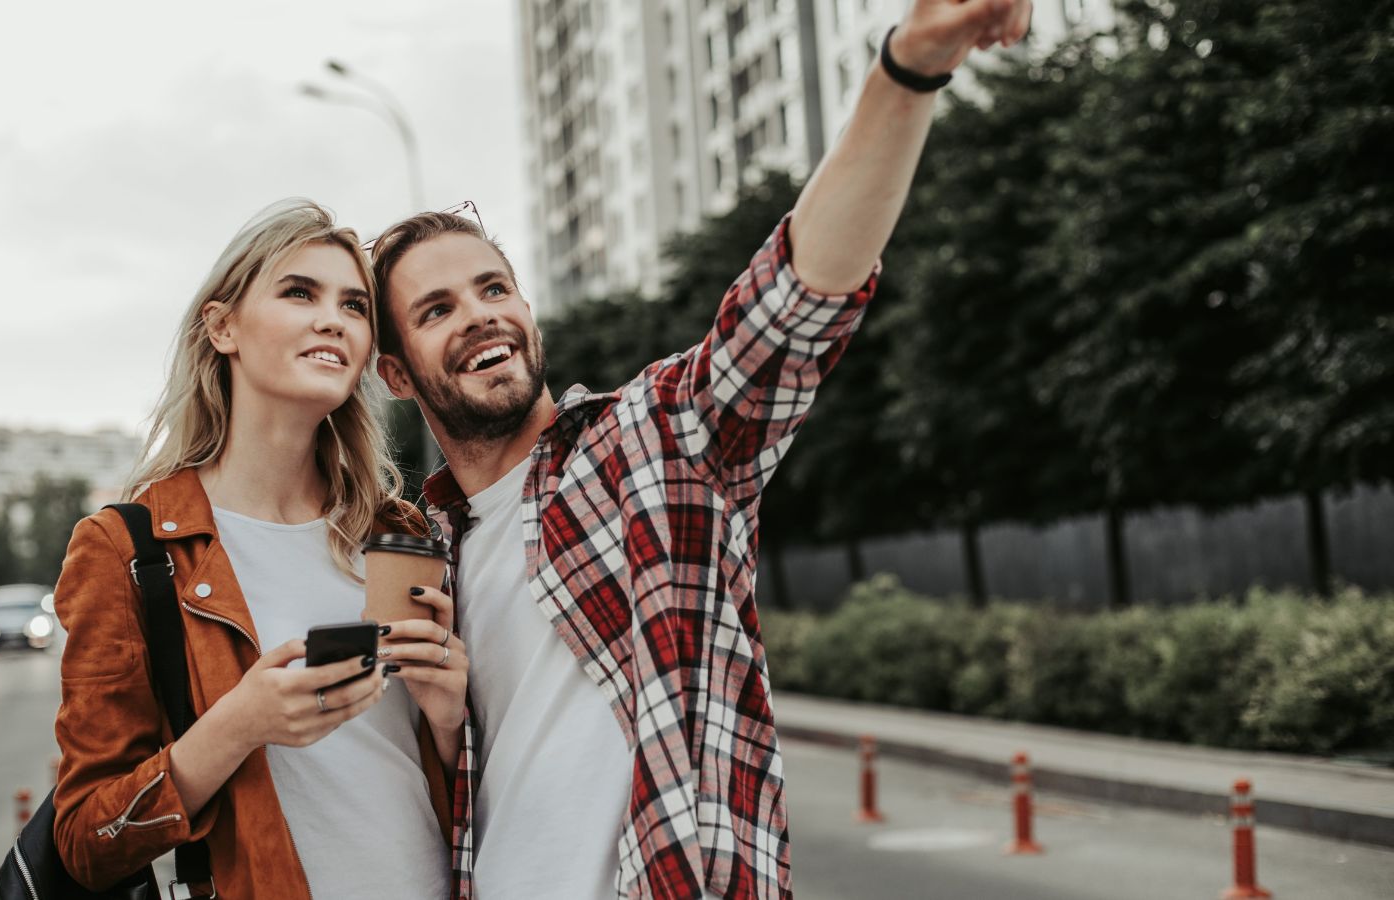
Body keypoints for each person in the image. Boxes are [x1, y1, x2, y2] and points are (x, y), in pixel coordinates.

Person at [367, 2, 1033, 897]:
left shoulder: (649, 445)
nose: (481, 313)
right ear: (396, 375)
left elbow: (795, 302)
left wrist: (909, 68)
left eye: (495, 287)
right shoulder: (418, 552)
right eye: (436, 309)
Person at [51, 199, 469, 899]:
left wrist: (450, 719)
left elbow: (458, 782)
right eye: (299, 292)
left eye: (355, 305)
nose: (332, 318)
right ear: (222, 327)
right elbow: (86, 840)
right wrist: (239, 725)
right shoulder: (129, 549)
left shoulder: (394, 530)